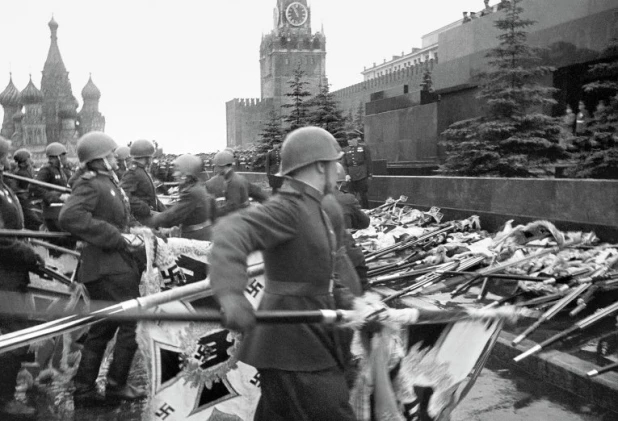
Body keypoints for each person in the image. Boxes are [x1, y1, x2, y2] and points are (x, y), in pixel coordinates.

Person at [209, 126, 357, 421]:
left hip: (306, 337)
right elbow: (230, 231)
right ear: (319, 165)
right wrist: (230, 295)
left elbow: (322, 274)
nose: (337, 170)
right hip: (295, 345)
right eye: (333, 164)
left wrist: (353, 304)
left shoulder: (316, 207)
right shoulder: (288, 207)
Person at [59, 132, 146, 404]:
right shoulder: (91, 184)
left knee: (103, 329)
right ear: (99, 159)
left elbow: (118, 217)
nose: (116, 159)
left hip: (112, 265)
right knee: (131, 322)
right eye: (110, 155)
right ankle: (116, 383)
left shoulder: (107, 182)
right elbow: (70, 216)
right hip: (107, 267)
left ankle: (84, 389)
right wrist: (114, 236)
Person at [0, 136, 43, 419]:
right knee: (13, 336)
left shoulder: (4, 186)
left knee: (17, 331)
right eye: (5, 156)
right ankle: (4, 401)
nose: (8, 161)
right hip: (4, 274)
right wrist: (28, 253)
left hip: (11, 270)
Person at [148, 154, 216, 241]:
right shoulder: (197, 187)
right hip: (201, 235)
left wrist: (150, 221)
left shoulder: (191, 193)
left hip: (195, 238)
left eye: (178, 171)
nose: (174, 174)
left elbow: (172, 216)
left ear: (186, 173)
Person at [334, 162, 371, 292]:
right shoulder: (347, 199)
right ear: (340, 182)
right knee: (362, 290)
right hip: (345, 254)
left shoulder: (306, 200)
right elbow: (364, 222)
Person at [205, 150, 268, 217]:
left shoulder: (230, 182)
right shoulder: (241, 179)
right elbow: (259, 194)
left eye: (216, 166)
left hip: (232, 220)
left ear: (222, 166)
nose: (215, 169)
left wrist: (214, 213)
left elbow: (232, 207)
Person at [120, 139, 165, 225]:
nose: (152, 159)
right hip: (140, 219)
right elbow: (123, 195)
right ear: (147, 157)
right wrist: (145, 208)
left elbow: (152, 197)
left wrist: (166, 212)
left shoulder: (141, 171)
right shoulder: (133, 173)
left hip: (148, 215)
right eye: (151, 157)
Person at [30, 142, 72, 233]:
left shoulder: (60, 170)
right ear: (58, 156)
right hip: (52, 211)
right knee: (59, 240)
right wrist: (57, 196)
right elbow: (34, 187)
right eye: (64, 155)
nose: (66, 158)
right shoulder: (46, 169)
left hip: (61, 210)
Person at [10, 149, 42, 230]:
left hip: (30, 199)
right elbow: (21, 188)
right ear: (24, 160)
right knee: (36, 221)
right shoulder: (20, 173)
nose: (31, 160)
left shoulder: (27, 170)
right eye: (29, 158)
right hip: (26, 201)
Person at [342, 135, 373, 209]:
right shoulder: (345, 150)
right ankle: (353, 210)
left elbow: (368, 161)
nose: (348, 141)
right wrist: (346, 174)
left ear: (355, 139)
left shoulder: (363, 148)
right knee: (351, 194)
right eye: (348, 139)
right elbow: (344, 164)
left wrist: (369, 174)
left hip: (361, 173)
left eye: (350, 139)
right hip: (351, 174)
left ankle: (365, 209)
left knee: (363, 194)